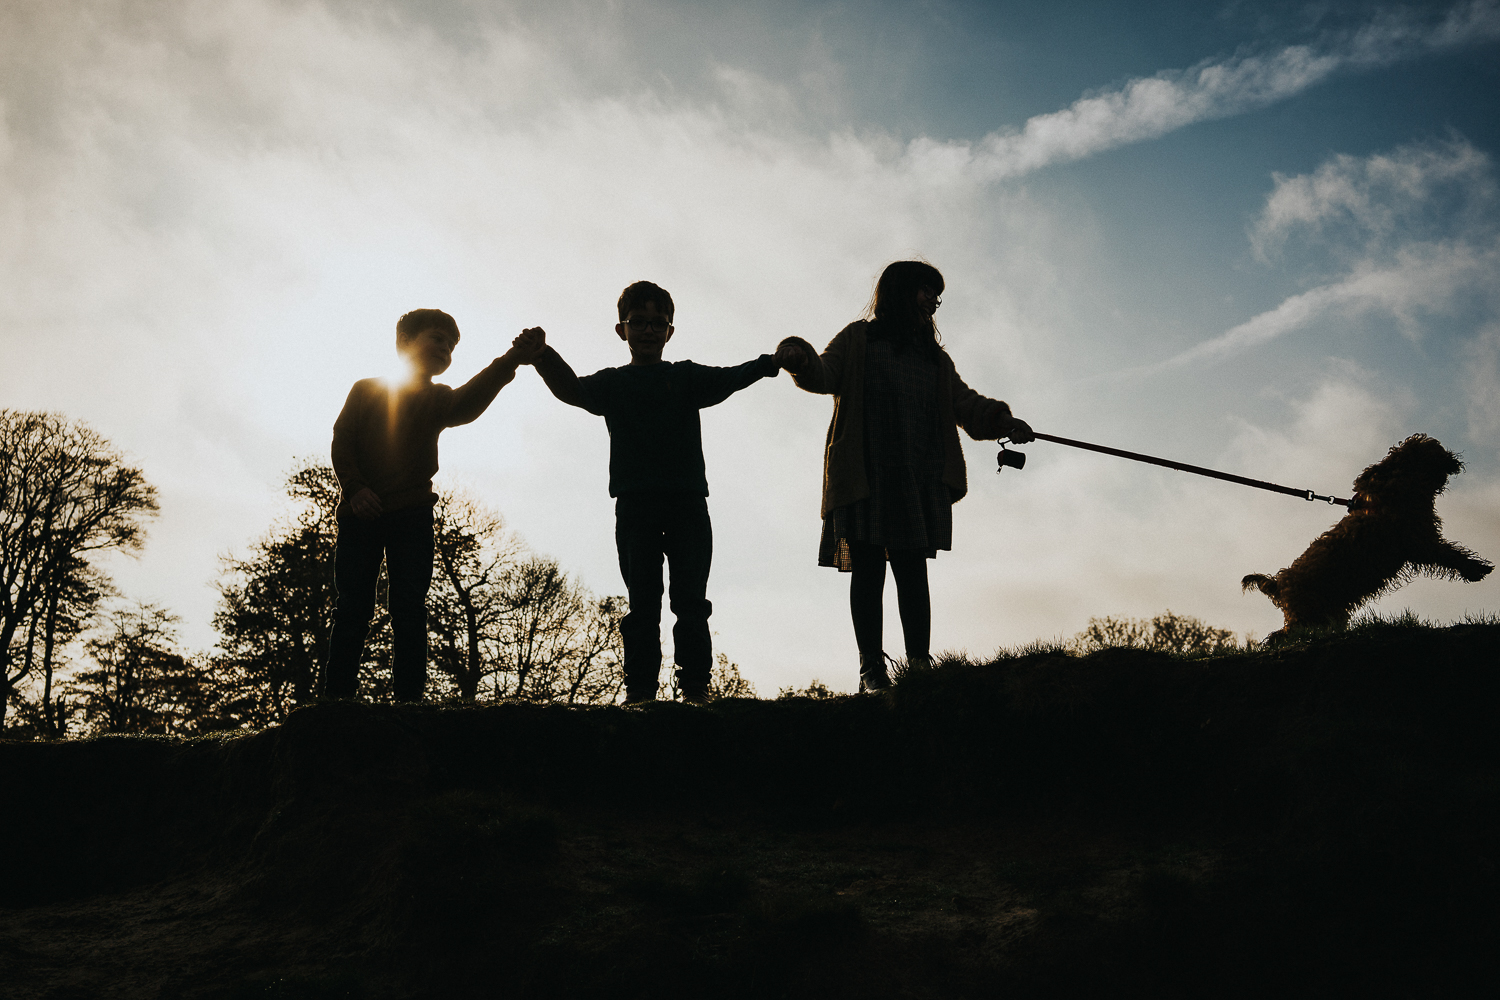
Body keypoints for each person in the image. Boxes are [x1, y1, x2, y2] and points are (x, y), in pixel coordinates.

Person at [775, 261, 1033, 692]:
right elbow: (823, 373)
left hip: (917, 477)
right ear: (899, 291)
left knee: (913, 570)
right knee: (869, 569)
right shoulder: (858, 339)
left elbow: (966, 405)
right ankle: (871, 670)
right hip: (865, 474)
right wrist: (797, 354)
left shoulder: (935, 360)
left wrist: (1002, 420)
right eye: (927, 291)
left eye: (937, 294)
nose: (934, 301)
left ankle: (918, 668)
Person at [527, 280, 786, 704]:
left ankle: (695, 688)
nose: (647, 330)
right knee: (642, 604)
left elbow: (730, 378)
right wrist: (543, 356)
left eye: (657, 323)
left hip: (687, 505)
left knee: (690, 600)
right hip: (635, 507)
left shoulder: (684, 377)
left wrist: (770, 362)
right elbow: (571, 389)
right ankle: (641, 692)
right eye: (638, 322)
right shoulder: (612, 384)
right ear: (622, 330)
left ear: (669, 331)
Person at [326, 308, 541, 701]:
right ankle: (335, 698)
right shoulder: (365, 390)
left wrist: (511, 360)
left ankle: (410, 701)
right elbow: (343, 442)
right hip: (361, 514)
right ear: (403, 343)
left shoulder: (439, 399)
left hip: (412, 516)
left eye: (451, 344)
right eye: (436, 338)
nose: (445, 347)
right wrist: (355, 489)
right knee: (353, 607)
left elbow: (469, 402)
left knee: (409, 608)